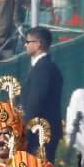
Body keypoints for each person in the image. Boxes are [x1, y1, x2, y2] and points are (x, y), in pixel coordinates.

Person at [21, 27, 63, 155]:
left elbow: (36, 102)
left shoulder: (42, 69)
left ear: (38, 44)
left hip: (39, 133)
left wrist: (25, 130)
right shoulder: (46, 66)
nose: (25, 45)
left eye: (28, 42)